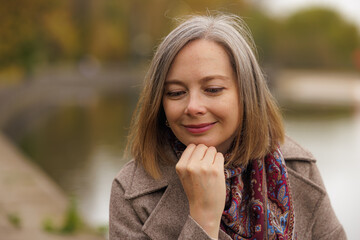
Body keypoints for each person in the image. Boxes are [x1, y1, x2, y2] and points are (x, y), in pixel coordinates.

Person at [109, 14, 346, 240]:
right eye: (176, 93)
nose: (193, 107)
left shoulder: (298, 167)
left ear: (246, 94)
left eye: (212, 89)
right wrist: (202, 220)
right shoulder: (131, 192)